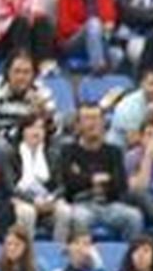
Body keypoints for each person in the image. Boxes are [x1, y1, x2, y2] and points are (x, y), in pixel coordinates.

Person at [54, 103, 142, 242]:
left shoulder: (114, 151)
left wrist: (83, 178)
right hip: (80, 204)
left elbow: (121, 185)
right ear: (78, 125)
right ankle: (83, 260)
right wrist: (95, 180)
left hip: (109, 205)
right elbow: (69, 184)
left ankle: (129, 259)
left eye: (96, 118)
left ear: (102, 123)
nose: (92, 124)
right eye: (87, 119)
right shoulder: (68, 151)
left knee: (134, 216)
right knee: (78, 218)